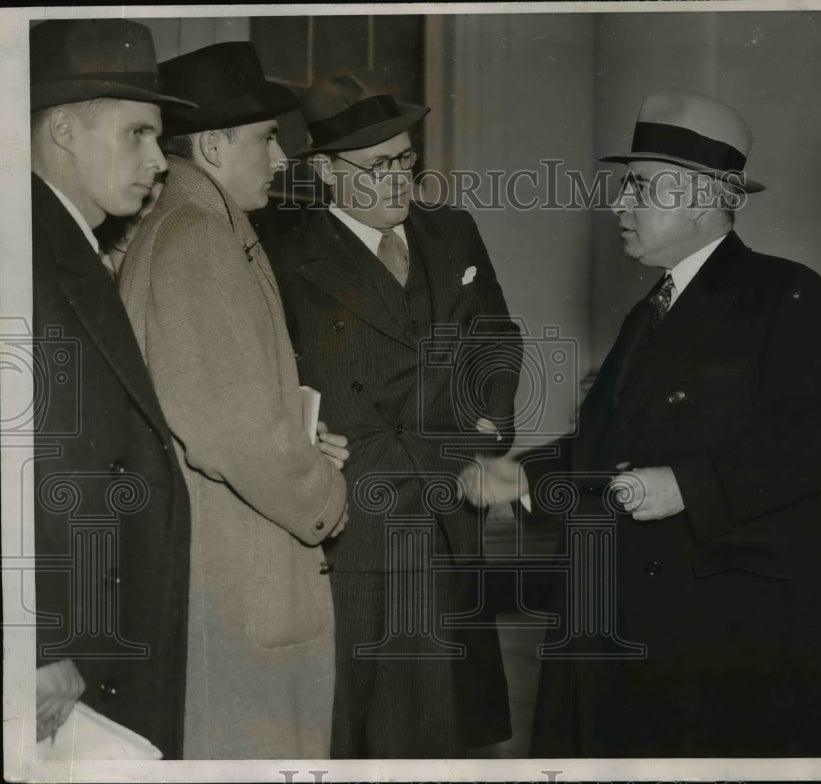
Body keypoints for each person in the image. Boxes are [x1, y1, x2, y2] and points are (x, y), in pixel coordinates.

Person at [462, 91, 821, 757]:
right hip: (628, 614)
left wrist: (687, 485)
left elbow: (818, 437)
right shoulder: (649, 312)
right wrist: (523, 476)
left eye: (640, 188)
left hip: (725, 626)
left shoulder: (782, 292)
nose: (619, 204)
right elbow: (610, 448)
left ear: (703, 198)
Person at [270, 74, 521, 758]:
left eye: (407, 159)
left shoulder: (452, 231)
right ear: (323, 170)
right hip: (359, 517)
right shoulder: (281, 250)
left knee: (454, 725)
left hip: (451, 500)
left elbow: (496, 341)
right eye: (378, 166)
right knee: (366, 720)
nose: (400, 180)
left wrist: (483, 439)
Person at [117, 43, 349, 759]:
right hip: (238, 576)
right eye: (266, 139)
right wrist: (324, 496)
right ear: (214, 145)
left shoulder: (201, 226)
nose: (281, 158)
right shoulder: (197, 240)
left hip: (232, 566)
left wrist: (298, 437)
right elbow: (232, 432)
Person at [28, 19, 193, 757]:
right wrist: (38, 639)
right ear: (63, 128)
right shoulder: (27, 250)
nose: (159, 161)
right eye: (138, 134)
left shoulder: (67, 240)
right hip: (69, 646)